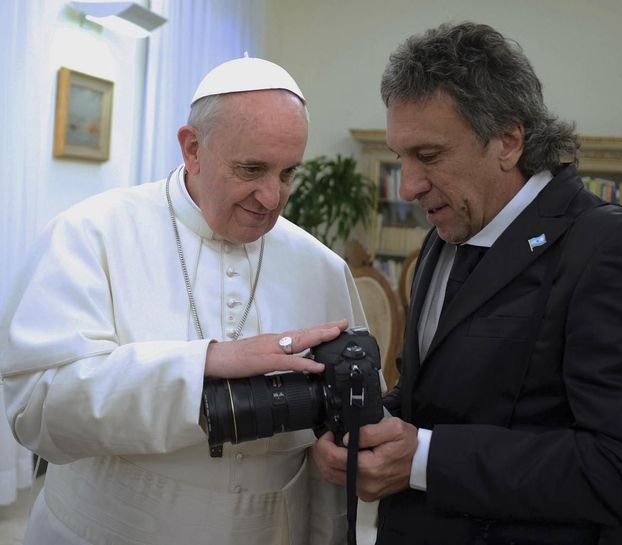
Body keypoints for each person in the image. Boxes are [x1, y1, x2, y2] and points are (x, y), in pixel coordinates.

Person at [314, 22, 622, 545]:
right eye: (401, 158)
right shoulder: (449, 233)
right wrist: (370, 429)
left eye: (430, 156)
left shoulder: (610, 250)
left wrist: (422, 458)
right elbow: (432, 397)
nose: (410, 186)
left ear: (508, 141)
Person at [0, 57, 367, 545]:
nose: (272, 197)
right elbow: (34, 408)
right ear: (193, 149)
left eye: (288, 173)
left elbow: (339, 427)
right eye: (251, 169)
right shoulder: (91, 234)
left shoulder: (320, 266)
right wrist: (207, 363)